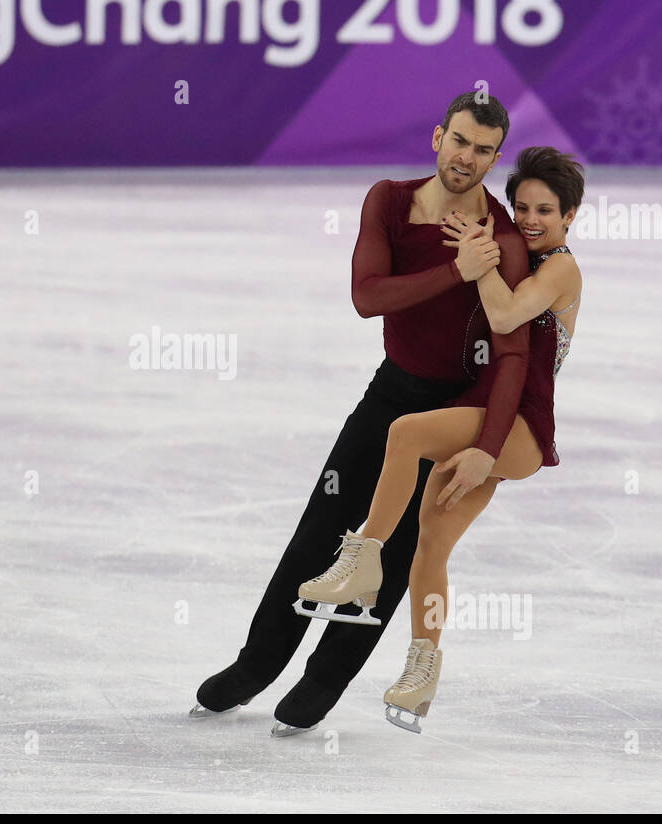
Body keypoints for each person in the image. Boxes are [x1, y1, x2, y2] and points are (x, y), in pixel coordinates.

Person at [191, 91, 531, 736]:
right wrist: (456, 270)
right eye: (459, 141)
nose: (468, 157)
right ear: (438, 138)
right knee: (322, 531)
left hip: (453, 408)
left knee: (398, 552)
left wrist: (487, 441)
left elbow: (514, 350)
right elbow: (367, 297)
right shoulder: (389, 200)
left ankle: (325, 678)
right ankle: (257, 663)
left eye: (484, 149)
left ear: (494, 157)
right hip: (390, 394)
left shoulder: (502, 238)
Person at [296, 145, 585, 733]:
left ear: (569, 218)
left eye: (545, 211)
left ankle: (364, 559)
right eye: (522, 207)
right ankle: (422, 671)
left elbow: (505, 319)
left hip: (520, 426)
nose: (530, 220)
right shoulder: (515, 255)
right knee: (431, 546)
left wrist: (472, 264)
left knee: (404, 433)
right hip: (481, 414)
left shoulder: (560, 268)